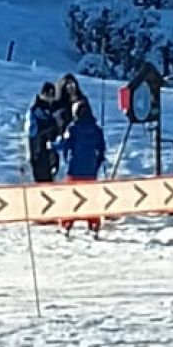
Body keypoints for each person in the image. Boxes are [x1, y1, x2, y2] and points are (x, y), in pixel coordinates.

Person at [55, 99, 107, 236]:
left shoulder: (73, 128)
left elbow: (64, 144)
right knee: (91, 198)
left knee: (71, 198)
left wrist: (51, 145)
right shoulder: (96, 129)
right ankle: (94, 224)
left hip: (75, 169)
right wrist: (97, 163)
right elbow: (101, 148)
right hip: (90, 170)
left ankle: (66, 224)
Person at [25, 82, 61, 183]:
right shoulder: (35, 111)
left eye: (52, 95)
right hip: (39, 152)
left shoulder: (53, 110)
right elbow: (31, 134)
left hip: (51, 151)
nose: (50, 98)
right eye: (48, 94)